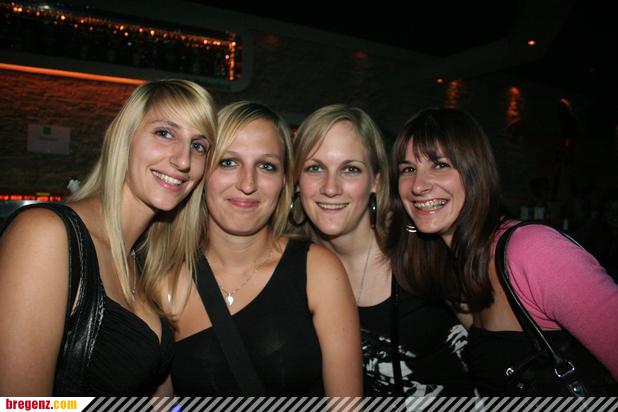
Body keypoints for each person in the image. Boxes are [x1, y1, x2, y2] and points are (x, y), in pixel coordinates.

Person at [0, 79, 217, 395]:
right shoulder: (46, 235)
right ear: (124, 137)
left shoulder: (143, 261)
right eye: (165, 133)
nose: (183, 160)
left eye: (198, 146)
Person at [390, 107, 618, 395]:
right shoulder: (451, 265)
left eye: (440, 164)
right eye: (408, 169)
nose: (418, 185)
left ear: (475, 172)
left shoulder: (533, 251)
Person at [170, 101, 362, 396]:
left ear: (284, 181)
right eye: (228, 162)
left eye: (266, 166)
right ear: (203, 172)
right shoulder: (167, 278)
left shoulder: (318, 271)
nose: (248, 183)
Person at [291, 104, 473, 396]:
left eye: (350, 169)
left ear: (376, 180)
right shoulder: (294, 267)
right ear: (296, 181)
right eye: (315, 168)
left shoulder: (423, 248)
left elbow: (496, 351)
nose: (330, 188)